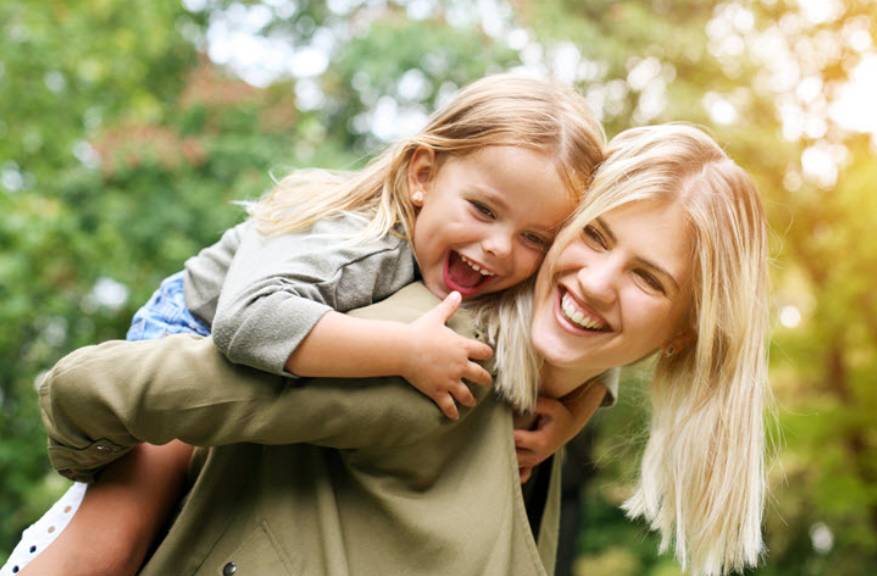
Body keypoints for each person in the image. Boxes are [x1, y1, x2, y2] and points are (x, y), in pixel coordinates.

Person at [26, 123, 771, 576]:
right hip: (206, 316)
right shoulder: (434, 356)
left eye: (647, 278)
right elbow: (99, 386)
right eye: (597, 237)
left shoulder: (544, 412)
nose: (599, 282)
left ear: (682, 334)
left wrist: (580, 405)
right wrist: (120, 465)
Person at [2, 73, 611, 576]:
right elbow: (248, 322)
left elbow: (595, 349)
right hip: (195, 326)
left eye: (535, 238)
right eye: (482, 209)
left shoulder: (493, 269)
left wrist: (571, 416)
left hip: (282, 345)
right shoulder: (356, 245)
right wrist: (404, 352)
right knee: (116, 540)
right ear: (423, 176)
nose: (500, 247)